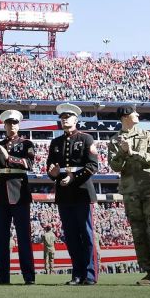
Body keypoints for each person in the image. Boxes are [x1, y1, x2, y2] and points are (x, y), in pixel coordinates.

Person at [108, 105, 150, 286]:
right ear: (125, 116)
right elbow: (115, 166)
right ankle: (149, 272)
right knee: (138, 231)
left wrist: (133, 153)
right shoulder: (114, 140)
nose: (138, 115)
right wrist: (122, 152)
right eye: (135, 113)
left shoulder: (146, 134)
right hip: (131, 190)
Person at [47, 102, 99, 286]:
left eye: (67, 117)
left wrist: (73, 177)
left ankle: (90, 275)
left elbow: (93, 166)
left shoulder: (86, 139)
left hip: (82, 191)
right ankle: (77, 274)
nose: (64, 120)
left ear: (76, 120)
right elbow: (51, 168)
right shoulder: (55, 142)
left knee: (86, 235)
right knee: (70, 236)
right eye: (62, 118)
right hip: (64, 193)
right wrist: (52, 174)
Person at [0, 109, 36, 286]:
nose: (12, 126)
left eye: (14, 123)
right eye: (9, 123)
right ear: (4, 125)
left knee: (23, 237)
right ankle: (2, 277)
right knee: (1, 238)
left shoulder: (26, 143)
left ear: (19, 125)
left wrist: (8, 157)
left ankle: (29, 276)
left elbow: (29, 163)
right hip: (1, 194)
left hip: (19, 192)